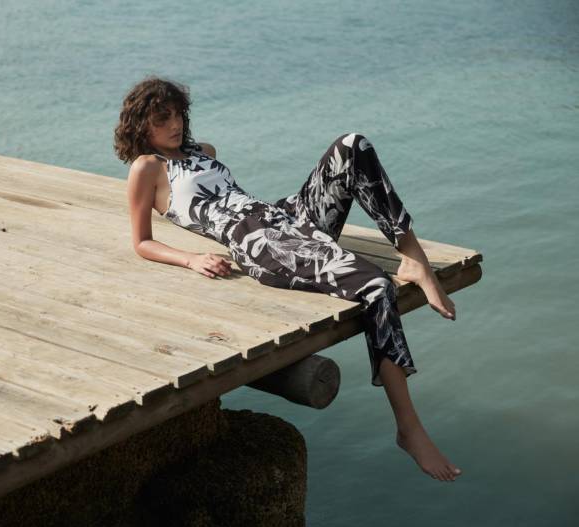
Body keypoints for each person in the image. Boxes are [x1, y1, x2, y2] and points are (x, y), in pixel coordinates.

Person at [114, 75, 462, 482]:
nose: (175, 124)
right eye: (162, 118)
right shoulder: (146, 168)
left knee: (352, 146)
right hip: (262, 245)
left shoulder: (203, 151)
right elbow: (142, 242)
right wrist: (190, 259)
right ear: (141, 124)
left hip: (285, 216)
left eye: (178, 114)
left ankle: (413, 256)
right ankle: (409, 428)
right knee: (376, 286)